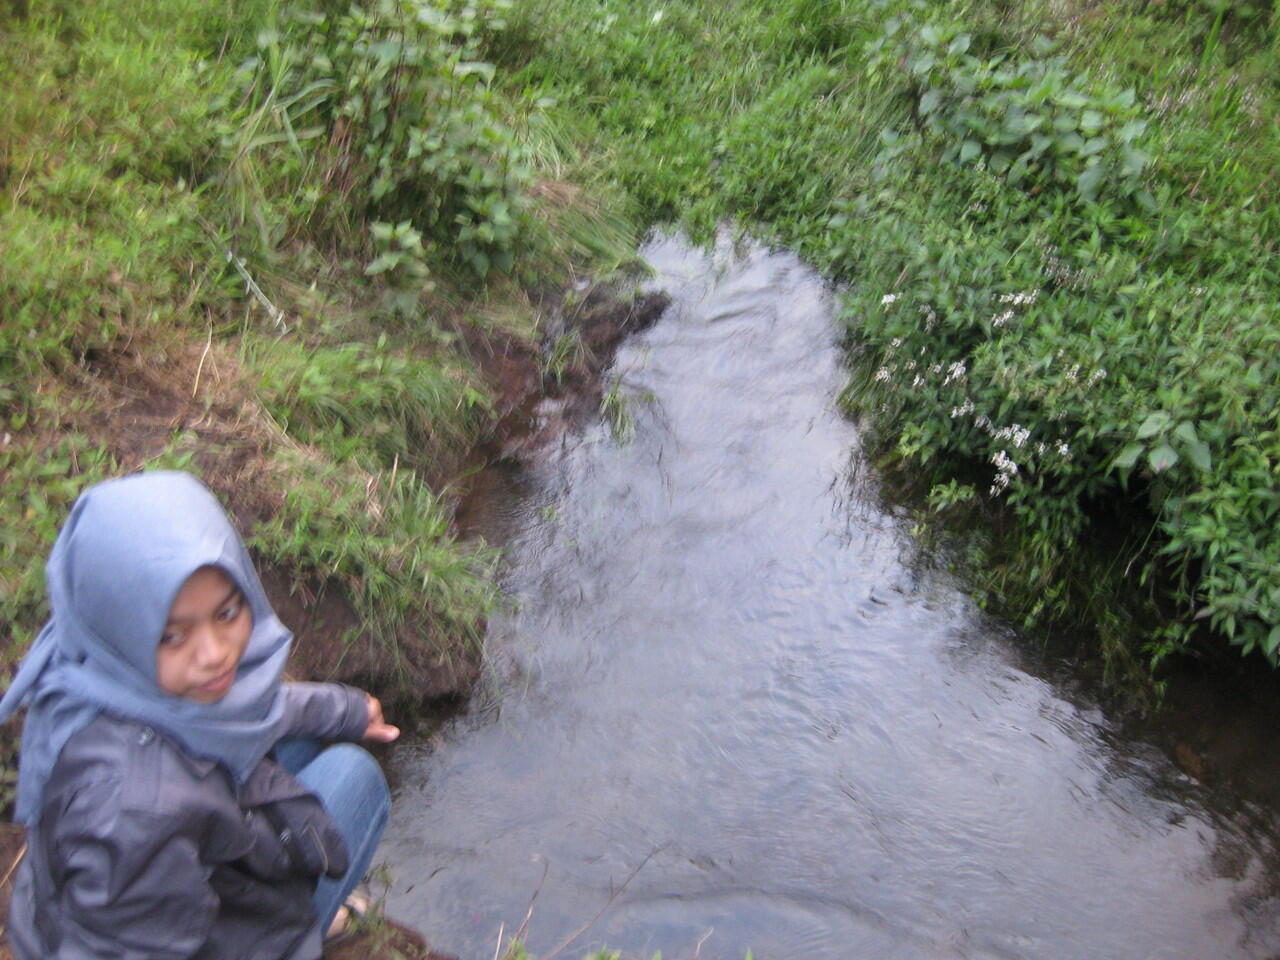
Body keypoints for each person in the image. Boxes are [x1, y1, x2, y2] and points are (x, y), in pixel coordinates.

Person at [0, 470, 401, 960]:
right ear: (128, 629)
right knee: (355, 775)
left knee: (299, 740)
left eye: (228, 613)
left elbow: (253, 706)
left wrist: (345, 708)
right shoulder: (129, 815)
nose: (215, 655)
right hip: (201, 926)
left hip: (127, 886)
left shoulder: (92, 668)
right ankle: (314, 919)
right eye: (173, 635)